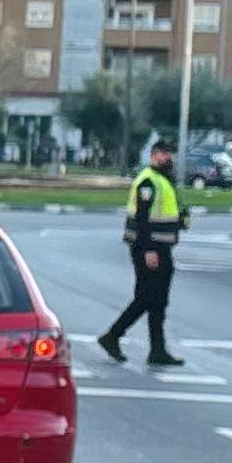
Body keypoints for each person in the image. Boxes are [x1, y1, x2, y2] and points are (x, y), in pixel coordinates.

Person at [98, 133, 186, 366]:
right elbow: (143, 219)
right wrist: (148, 250)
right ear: (154, 155)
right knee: (147, 298)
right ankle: (112, 336)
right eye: (164, 153)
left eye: (170, 154)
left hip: (161, 247)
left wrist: (180, 220)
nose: (169, 157)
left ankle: (157, 350)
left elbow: (164, 214)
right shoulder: (148, 181)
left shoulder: (163, 179)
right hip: (149, 248)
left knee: (158, 301)